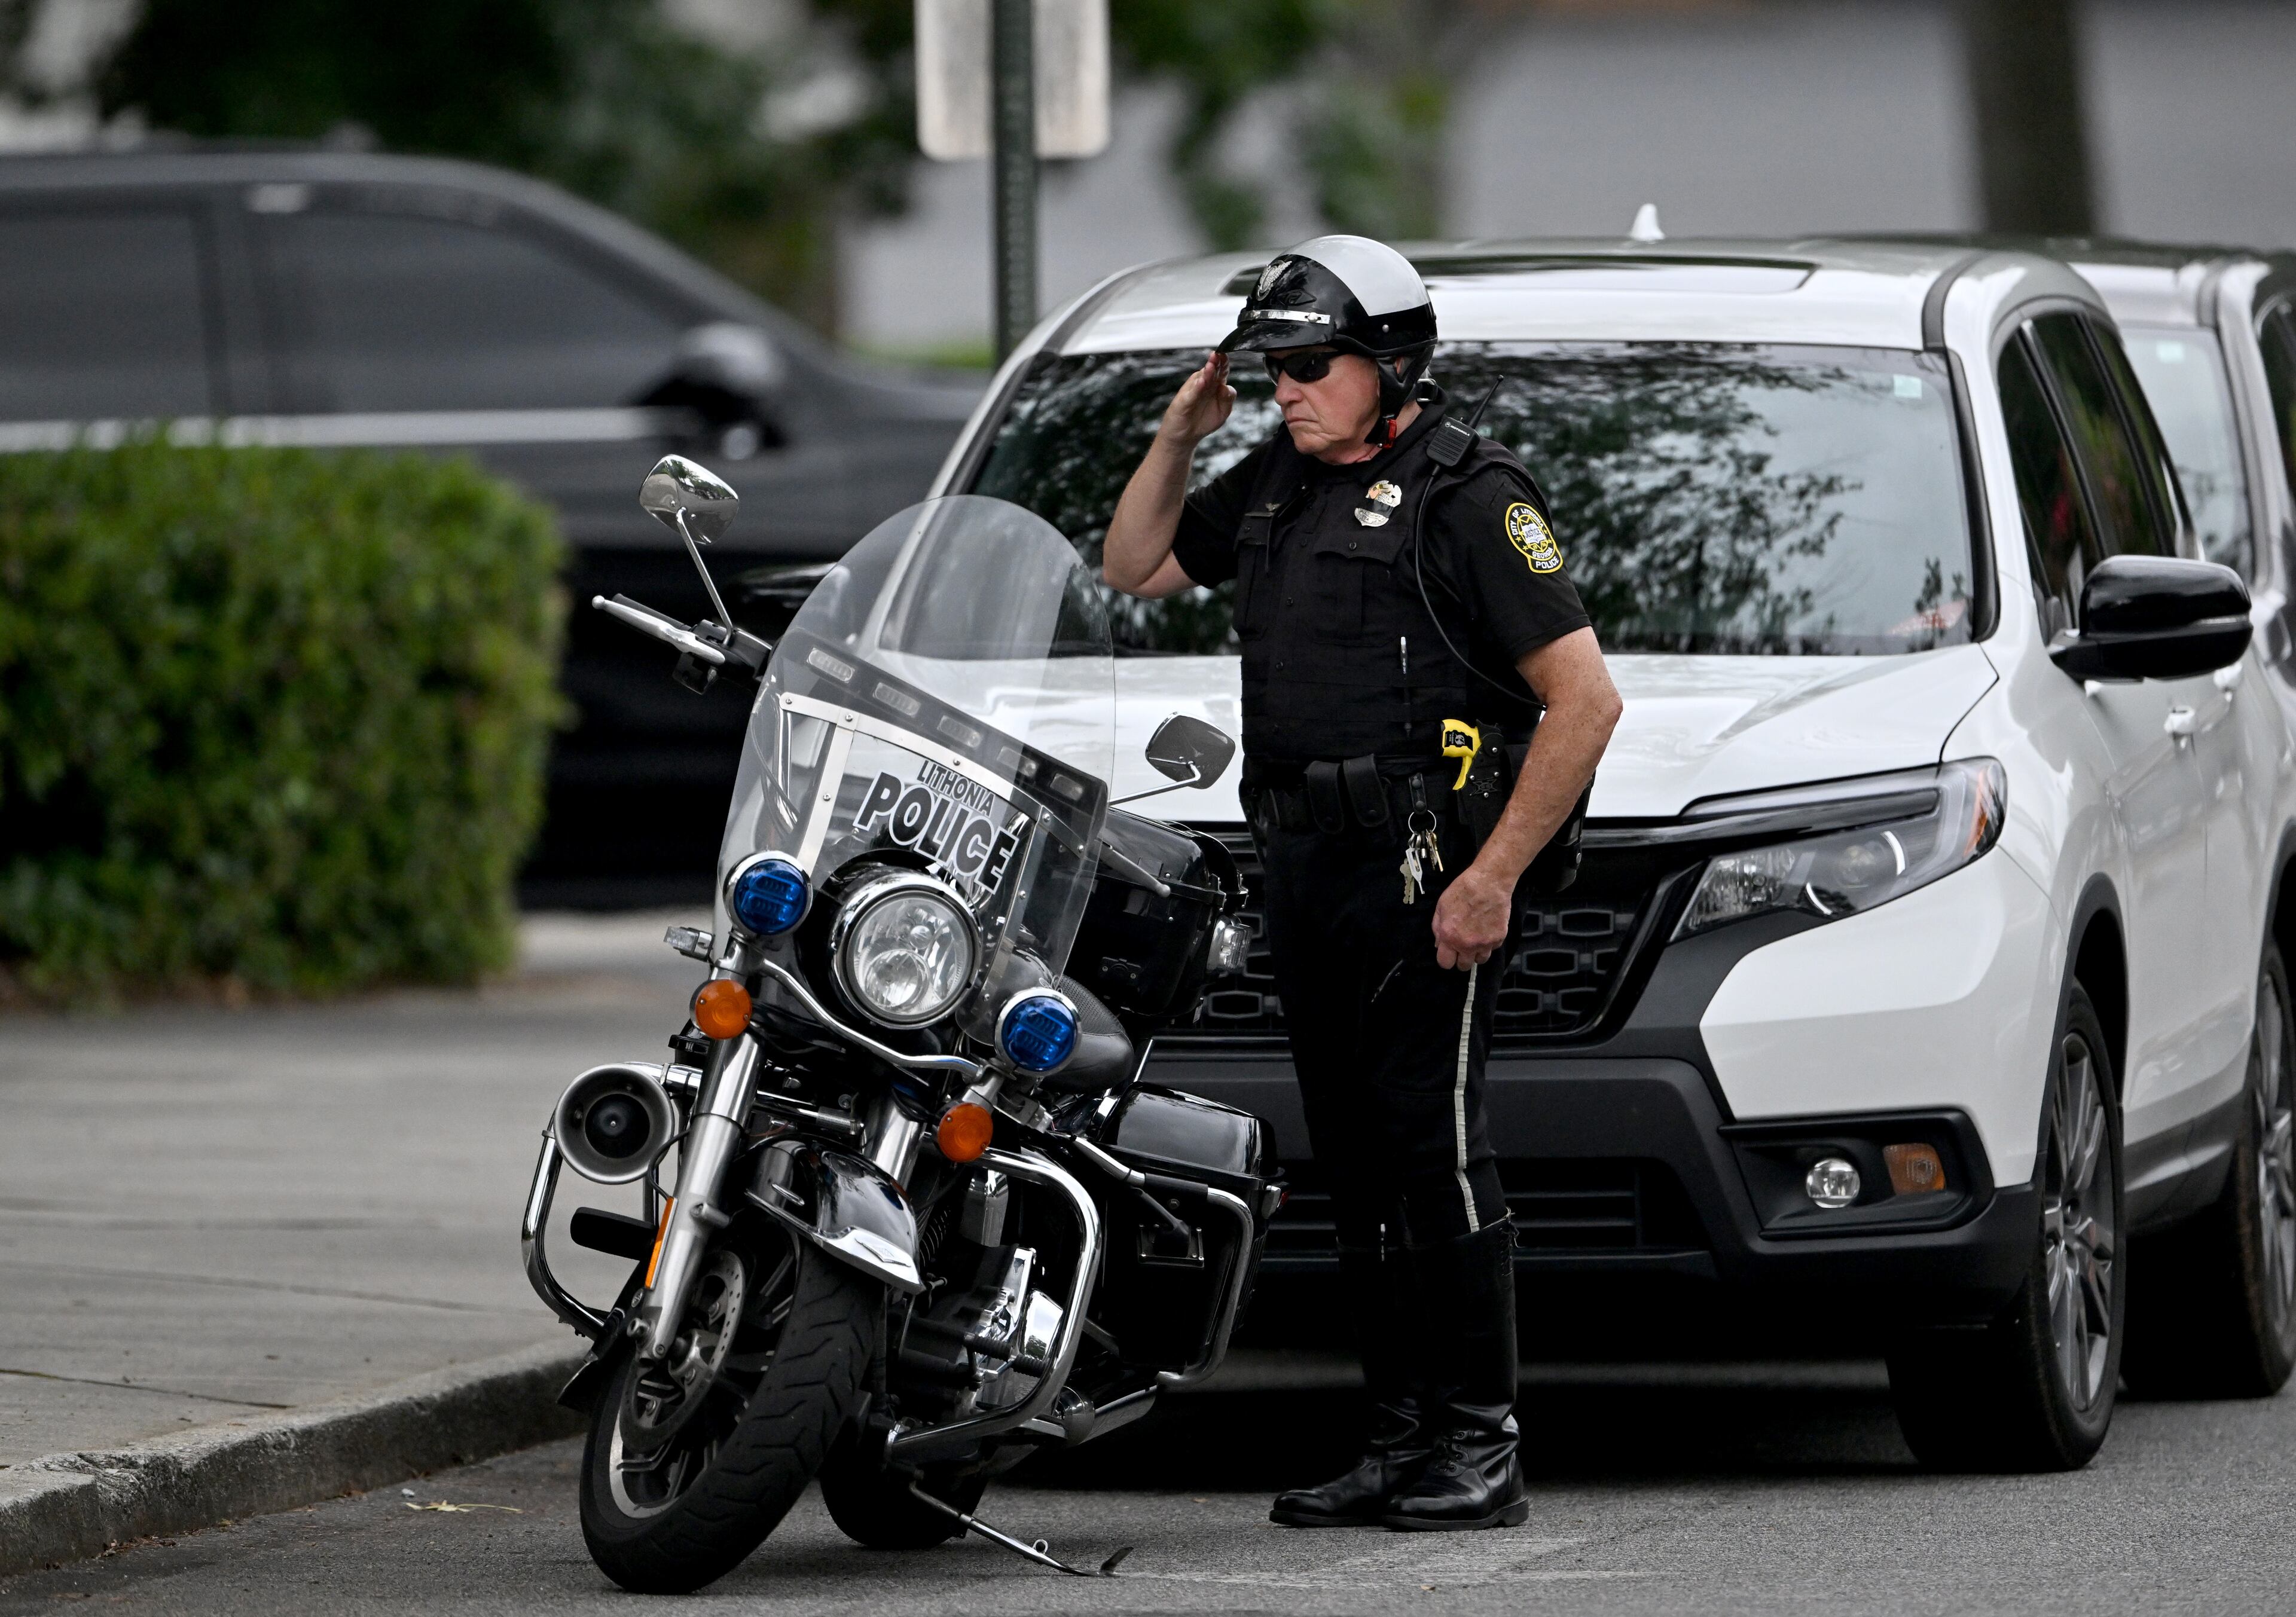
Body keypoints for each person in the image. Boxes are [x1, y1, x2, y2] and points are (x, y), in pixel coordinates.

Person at [1103, 236, 1621, 1532]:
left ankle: (1479, 1445)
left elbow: (1584, 701)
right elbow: (1136, 566)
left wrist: (1492, 877)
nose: (1286, 387)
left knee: (1436, 1157)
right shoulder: (1277, 476)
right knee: (1354, 1167)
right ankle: (1395, 1440)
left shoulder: (1470, 493)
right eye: (1272, 365)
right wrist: (1180, 434)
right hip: (1302, 865)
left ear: (1389, 362)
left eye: (1309, 364)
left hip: (1423, 876)